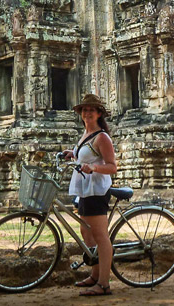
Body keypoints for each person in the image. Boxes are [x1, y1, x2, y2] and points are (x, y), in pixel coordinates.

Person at [61, 93, 117, 296]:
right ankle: (94, 275)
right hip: (84, 190)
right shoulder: (86, 134)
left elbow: (112, 167)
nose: (87, 113)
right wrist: (72, 153)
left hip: (97, 191)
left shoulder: (102, 137)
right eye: (84, 109)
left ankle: (104, 284)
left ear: (99, 113)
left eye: (91, 109)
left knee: (101, 237)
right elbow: (85, 153)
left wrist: (93, 168)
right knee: (87, 234)